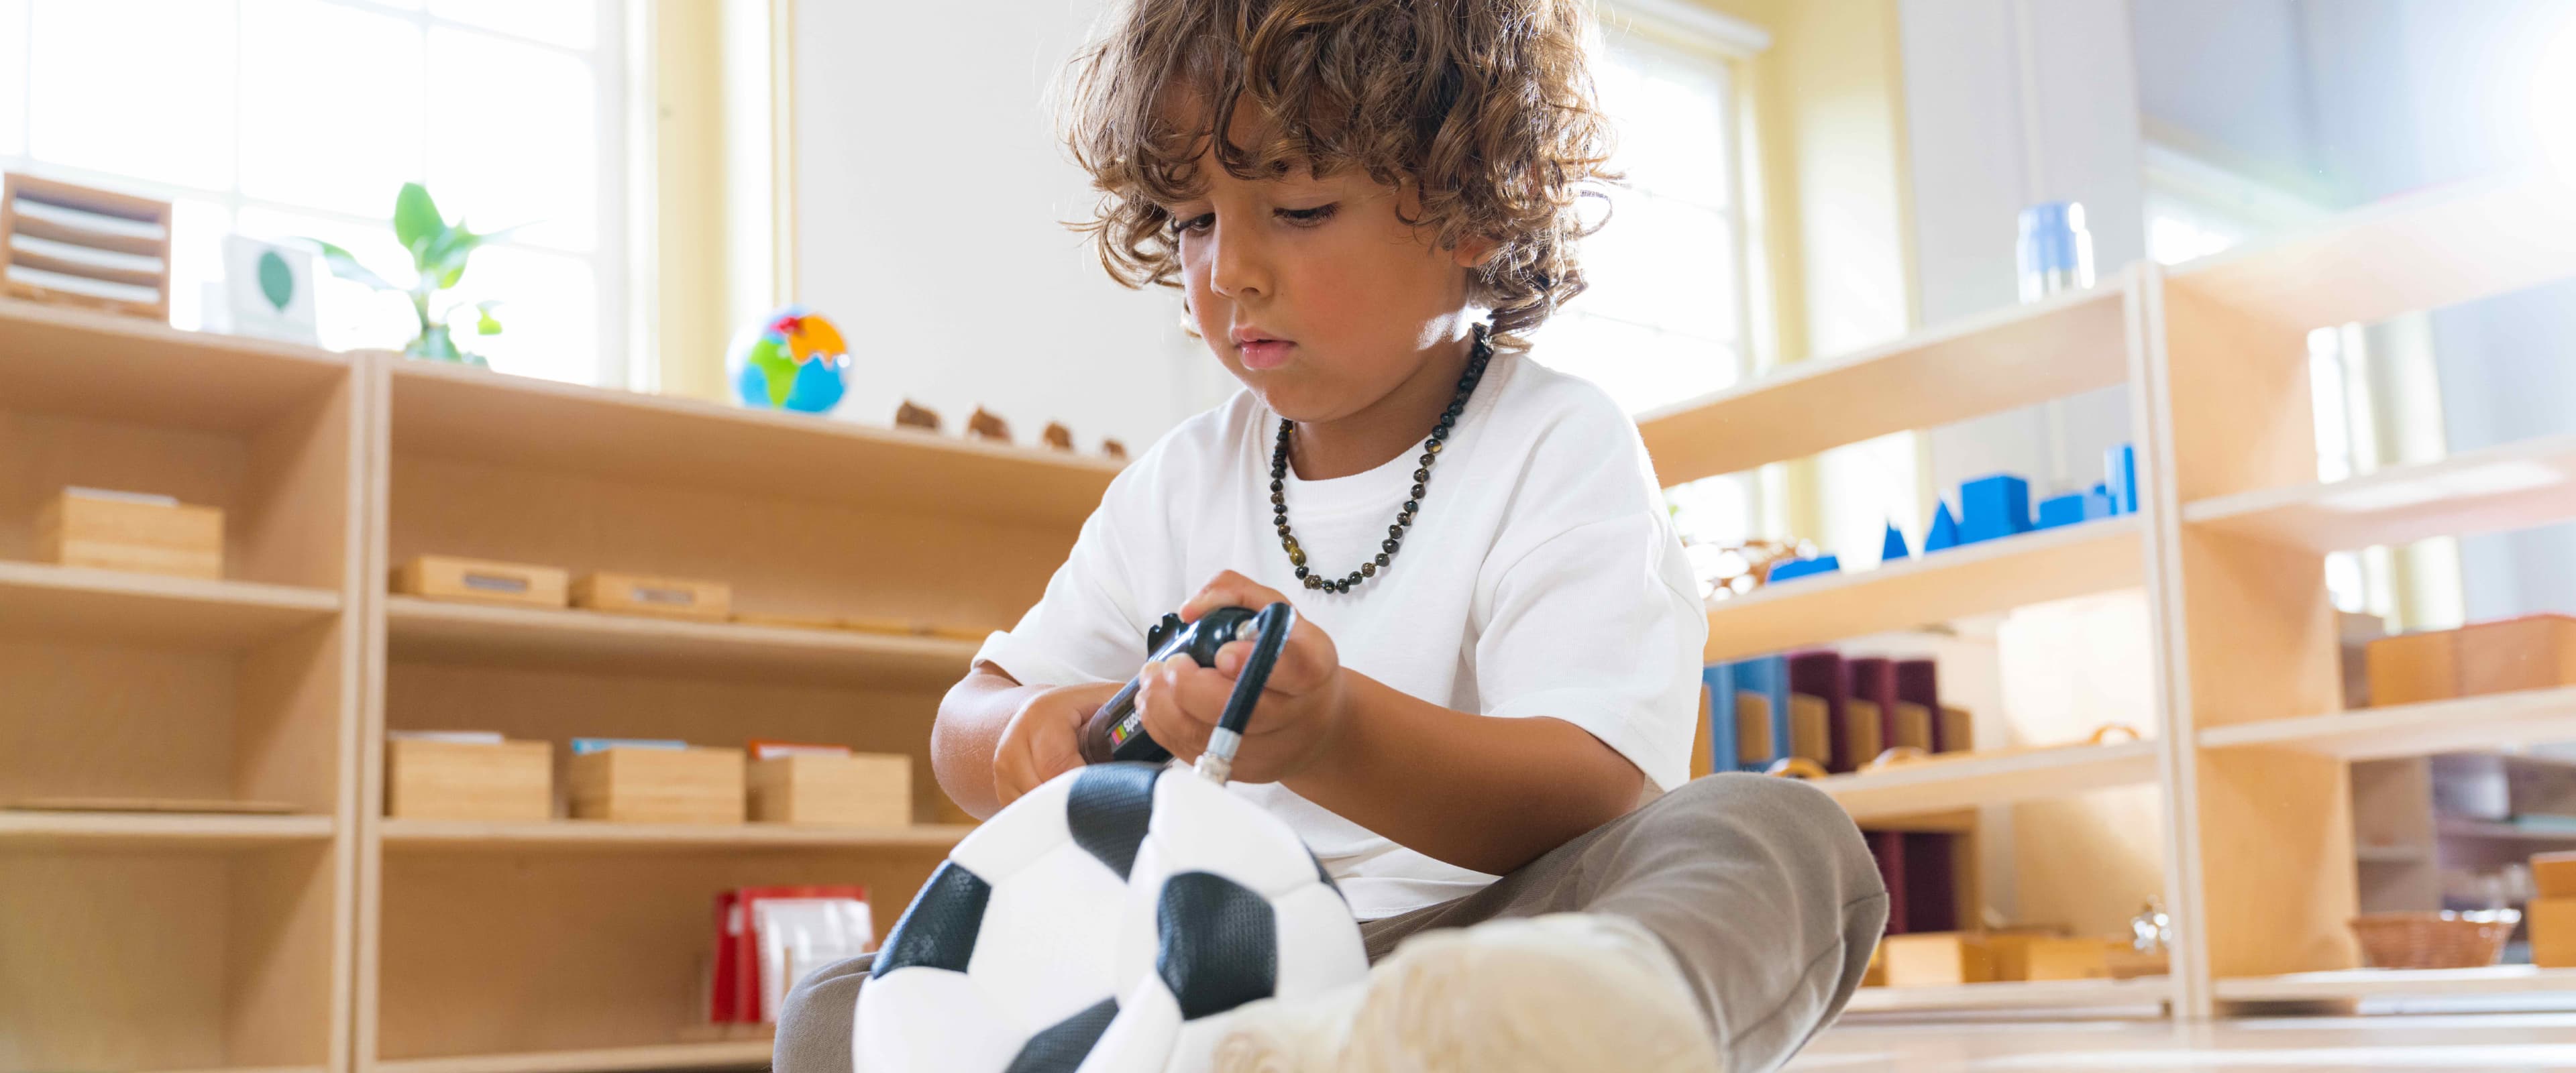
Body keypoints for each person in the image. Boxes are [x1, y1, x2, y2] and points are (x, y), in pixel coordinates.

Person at [777, 0, 1884, 1069]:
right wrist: (1025, 729)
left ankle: (1530, 1045)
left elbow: (1593, 786)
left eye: (1298, 211)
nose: (1230, 272)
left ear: (1477, 207)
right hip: (1197, 968)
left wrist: (1335, 733)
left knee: (1779, 837)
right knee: (843, 1003)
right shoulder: (1177, 484)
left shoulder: (1558, 443)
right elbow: (964, 724)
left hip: (1476, 959)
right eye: (1196, 220)